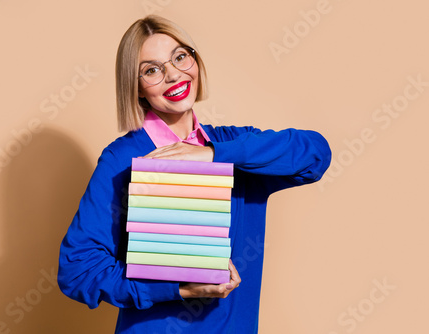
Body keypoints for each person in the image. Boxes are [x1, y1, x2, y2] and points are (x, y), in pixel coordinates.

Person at [58, 15, 331, 333]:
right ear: (137, 89)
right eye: (152, 70)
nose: (173, 75)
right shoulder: (122, 159)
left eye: (179, 57)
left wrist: (215, 154)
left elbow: (315, 154)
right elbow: (77, 271)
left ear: (195, 61)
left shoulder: (233, 146)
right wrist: (173, 287)